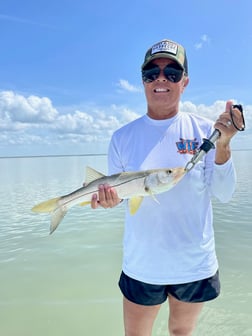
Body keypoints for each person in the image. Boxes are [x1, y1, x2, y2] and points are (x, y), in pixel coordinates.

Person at [90, 39, 244, 336]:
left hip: (194, 263)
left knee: (181, 332)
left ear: (184, 82)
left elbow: (224, 194)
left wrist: (223, 144)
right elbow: (122, 197)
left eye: (172, 72)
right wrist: (107, 201)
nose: (161, 79)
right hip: (142, 263)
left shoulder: (205, 131)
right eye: (152, 72)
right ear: (143, 81)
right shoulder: (122, 137)